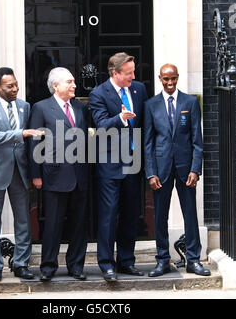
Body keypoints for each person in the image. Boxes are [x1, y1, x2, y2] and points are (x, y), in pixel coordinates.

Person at [143, 63, 210, 277]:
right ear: (160, 79)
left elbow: (197, 140)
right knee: (160, 216)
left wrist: (195, 169)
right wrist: (151, 172)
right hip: (161, 169)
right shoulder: (151, 105)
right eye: (165, 79)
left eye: (173, 79)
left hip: (185, 168)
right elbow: (148, 143)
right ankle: (162, 260)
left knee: (190, 214)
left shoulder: (190, 102)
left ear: (178, 78)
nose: (169, 83)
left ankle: (193, 260)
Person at [0, 67, 44, 282]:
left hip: (20, 170)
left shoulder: (25, 106)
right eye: (10, 86)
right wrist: (21, 133)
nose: (15, 89)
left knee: (23, 220)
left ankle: (21, 263)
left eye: (16, 84)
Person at [89, 52, 148, 281]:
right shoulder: (98, 94)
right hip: (110, 164)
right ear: (115, 74)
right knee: (108, 214)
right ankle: (106, 264)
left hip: (134, 162)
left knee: (131, 214)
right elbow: (101, 125)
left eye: (133, 71)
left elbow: (144, 123)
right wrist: (121, 118)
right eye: (129, 73)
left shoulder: (139, 90)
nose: (133, 76)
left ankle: (126, 261)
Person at [28, 67, 89, 282]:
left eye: (73, 82)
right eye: (69, 82)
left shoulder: (81, 108)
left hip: (80, 175)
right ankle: (48, 266)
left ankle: (76, 265)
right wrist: (36, 174)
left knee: (79, 224)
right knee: (53, 224)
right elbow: (35, 141)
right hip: (54, 175)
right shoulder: (41, 108)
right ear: (56, 85)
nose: (74, 85)